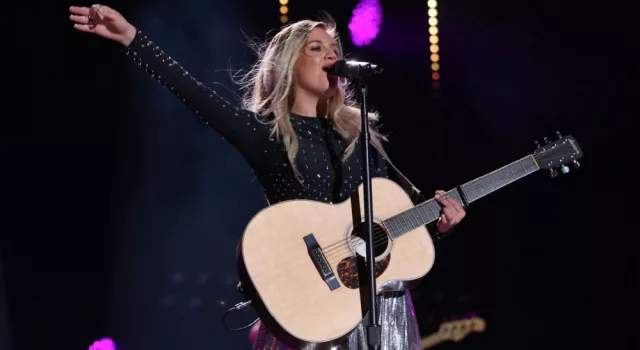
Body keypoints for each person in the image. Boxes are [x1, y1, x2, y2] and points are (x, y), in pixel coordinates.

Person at [68, 4, 467, 349]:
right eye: (317, 49)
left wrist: (440, 224)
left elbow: (394, 228)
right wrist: (132, 37)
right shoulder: (267, 134)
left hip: (380, 303)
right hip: (310, 305)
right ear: (288, 63)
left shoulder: (362, 136)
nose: (332, 56)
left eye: (335, 50)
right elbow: (192, 92)